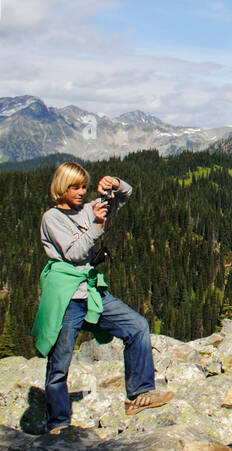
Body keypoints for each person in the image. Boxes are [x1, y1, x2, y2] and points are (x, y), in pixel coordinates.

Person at [32, 161, 174, 434]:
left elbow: (125, 195)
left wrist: (114, 184)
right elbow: (73, 253)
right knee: (60, 362)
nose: (81, 192)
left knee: (137, 326)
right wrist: (97, 223)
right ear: (61, 188)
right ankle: (58, 424)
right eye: (74, 187)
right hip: (66, 296)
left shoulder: (88, 209)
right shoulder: (52, 218)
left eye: (84, 187)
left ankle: (140, 394)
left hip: (91, 292)